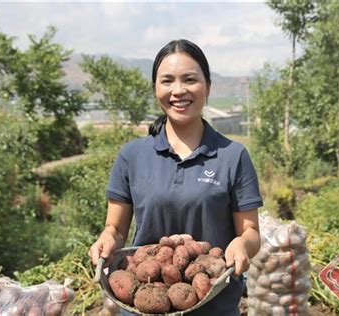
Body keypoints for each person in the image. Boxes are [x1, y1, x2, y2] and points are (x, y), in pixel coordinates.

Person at [88, 39, 263, 315]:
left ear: (207, 86)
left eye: (190, 80)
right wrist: (107, 239)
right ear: (156, 88)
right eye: (167, 81)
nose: (178, 90)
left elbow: (251, 233)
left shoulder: (233, 155)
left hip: (213, 305)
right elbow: (116, 229)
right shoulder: (132, 155)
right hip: (143, 302)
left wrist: (242, 245)